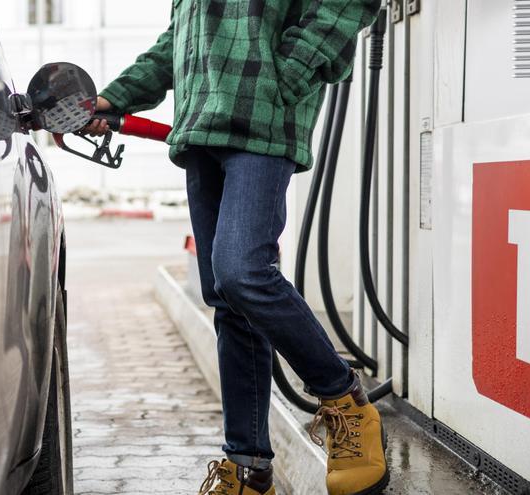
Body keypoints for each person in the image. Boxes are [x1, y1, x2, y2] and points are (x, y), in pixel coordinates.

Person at [85, 1, 386, 494]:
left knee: (242, 271)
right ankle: (248, 467)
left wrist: (285, 77)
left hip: (263, 124)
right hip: (202, 130)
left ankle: (343, 396)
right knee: (228, 301)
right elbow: (177, 43)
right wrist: (112, 99)